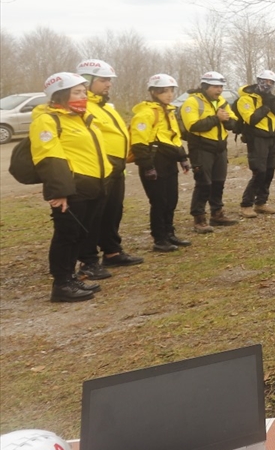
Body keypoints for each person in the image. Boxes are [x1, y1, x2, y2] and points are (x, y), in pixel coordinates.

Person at [29, 73, 110, 302]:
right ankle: (61, 284)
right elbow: (49, 157)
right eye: (77, 92)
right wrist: (59, 192)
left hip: (93, 185)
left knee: (81, 235)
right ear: (60, 94)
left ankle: (71, 277)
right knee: (67, 235)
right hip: (72, 188)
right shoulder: (47, 120)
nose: (83, 96)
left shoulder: (81, 118)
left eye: (84, 92)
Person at [75, 58, 143, 278]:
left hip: (116, 167)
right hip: (97, 169)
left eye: (109, 80)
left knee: (113, 211)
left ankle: (112, 252)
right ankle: (87, 260)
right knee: (94, 215)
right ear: (87, 81)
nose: (109, 84)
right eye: (104, 80)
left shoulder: (106, 106)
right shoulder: (83, 107)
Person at [130, 74, 192, 253]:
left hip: (168, 161)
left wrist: (182, 158)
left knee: (171, 199)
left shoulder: (169, 112)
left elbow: (173, 138)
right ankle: (159, 238)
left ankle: (169, 233)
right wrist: (147, 167)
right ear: (153, 92)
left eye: (171, 90)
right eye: (163, 91)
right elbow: (139, 142)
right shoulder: (145, 114)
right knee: (159, 201)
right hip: (154, 161)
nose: (169, 94)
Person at [181, 71, 239, 233]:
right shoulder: (192, 102)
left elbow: (234, 123)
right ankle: (199, 218)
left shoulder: (222, 102)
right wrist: (216, 118)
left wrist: (227, 120)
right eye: (215, 87)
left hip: (220, 148)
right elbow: (192, 126)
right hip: (201, 148)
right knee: (204, 183)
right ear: (205, 86)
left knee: (218, 182)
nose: (219, 90)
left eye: (221, 86)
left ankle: (217, 213)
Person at [237, 70, 275, 217]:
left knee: (269, 171)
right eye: (264, 81)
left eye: (271, 82)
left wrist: (271, 103)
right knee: (259, 172)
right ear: (258, 80)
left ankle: (261, 202)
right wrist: (264, 106)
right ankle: (246, 204)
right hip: (256, 139)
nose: (267, 84)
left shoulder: (269, 98)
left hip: (271, 138)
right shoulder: (246, 99)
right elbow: (251, 119)